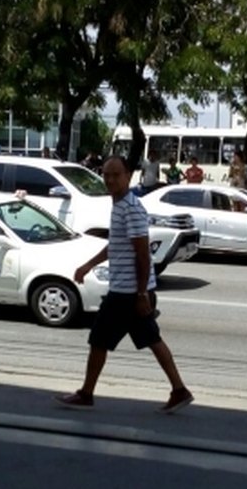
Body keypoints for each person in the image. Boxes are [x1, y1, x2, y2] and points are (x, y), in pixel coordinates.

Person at [56, 155, 193, 414]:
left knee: (99, 340)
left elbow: (143, 254)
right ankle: (179, 390)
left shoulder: (130, 207)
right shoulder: (120, 205)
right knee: (152, 339)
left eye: (116, 175)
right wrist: (88, 265)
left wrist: (142, 293)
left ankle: (86, 394)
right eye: (106, 174)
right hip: (128, 290)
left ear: (128, 176)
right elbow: (117, 245)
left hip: (128, 293)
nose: (109, 179)